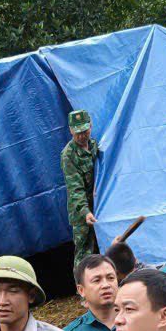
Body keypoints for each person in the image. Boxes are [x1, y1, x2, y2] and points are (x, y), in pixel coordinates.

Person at [62, 109, 101, 265]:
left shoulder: (95, 145)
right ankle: (81, 288)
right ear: (71, 130)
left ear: (90, 126)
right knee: (85, 254)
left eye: (84, 131)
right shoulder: (68, 155)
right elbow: (75, 189)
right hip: (82, 214)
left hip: (98, 207)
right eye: (77, 132)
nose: (82, 136)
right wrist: (85, 212)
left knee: (102, 250)